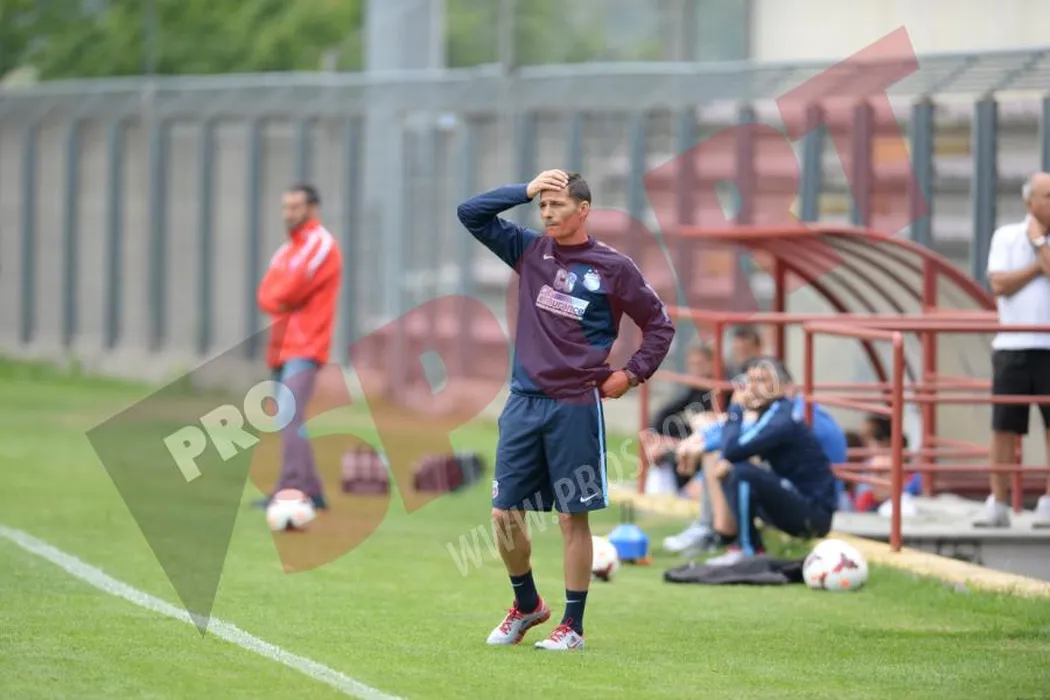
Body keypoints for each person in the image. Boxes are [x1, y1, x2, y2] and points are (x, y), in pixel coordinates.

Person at [457, 169, 675, 651]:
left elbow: (659, 326)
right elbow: (470, 213)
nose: (547, 213)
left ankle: (572, 626)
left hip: (575, 406)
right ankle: (527, 605)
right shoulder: (530, 250)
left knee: (571, 518)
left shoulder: (613, 267)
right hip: (523, 403)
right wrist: (525, 189)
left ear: (584, 209)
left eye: (557, 204)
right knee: (504, 514)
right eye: (542, 206)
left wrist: (631, 374)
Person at [671, 357, 847, 556]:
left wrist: (735, 409)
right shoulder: (772, 411)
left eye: (762, 381)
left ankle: (745, 548)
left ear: (783, 387)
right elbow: (735, 434)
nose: (752, 388)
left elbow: (733, 448)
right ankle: (715, 531)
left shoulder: (783, 416)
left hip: (813, 514)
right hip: (793, 500)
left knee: (738, 471)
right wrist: (699, 443)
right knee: (728, 463)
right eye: (750, 381)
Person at [253, 183, 342, 511]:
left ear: (312, 208)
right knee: (286, 417)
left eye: (295, 207)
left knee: (288, 415)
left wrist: (280, 298)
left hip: (306, 345)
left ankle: (290, 489)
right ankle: (313, 491)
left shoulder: (320, 244)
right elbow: (265, 295)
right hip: (281, 344)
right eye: (285, 207)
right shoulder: (286, 250)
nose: (288, 213)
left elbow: (289, 290)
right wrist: (279, 298)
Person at [977, 172, 1050, 528]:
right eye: (1047, 196)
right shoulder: (1005, 236)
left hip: (1048, 346)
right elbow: (999, 284)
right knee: (1003, 428)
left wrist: (1039, 245)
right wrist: (1038, 263)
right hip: (1012, 345)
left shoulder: (1037, 241)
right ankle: (999, 502)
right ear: (1029, 202)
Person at [640, 342, 715, 494]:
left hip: (704, 447)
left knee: (670, 452)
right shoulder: (696, 389)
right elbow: (666, 413)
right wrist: (656, 436)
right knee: (655, 442)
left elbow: (710, 430)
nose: (695, 369)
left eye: (700, 364)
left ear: (712, 364)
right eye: (692, 364)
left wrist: (671, 443)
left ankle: (683, 493)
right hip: (690, 443)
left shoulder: (718, 392)